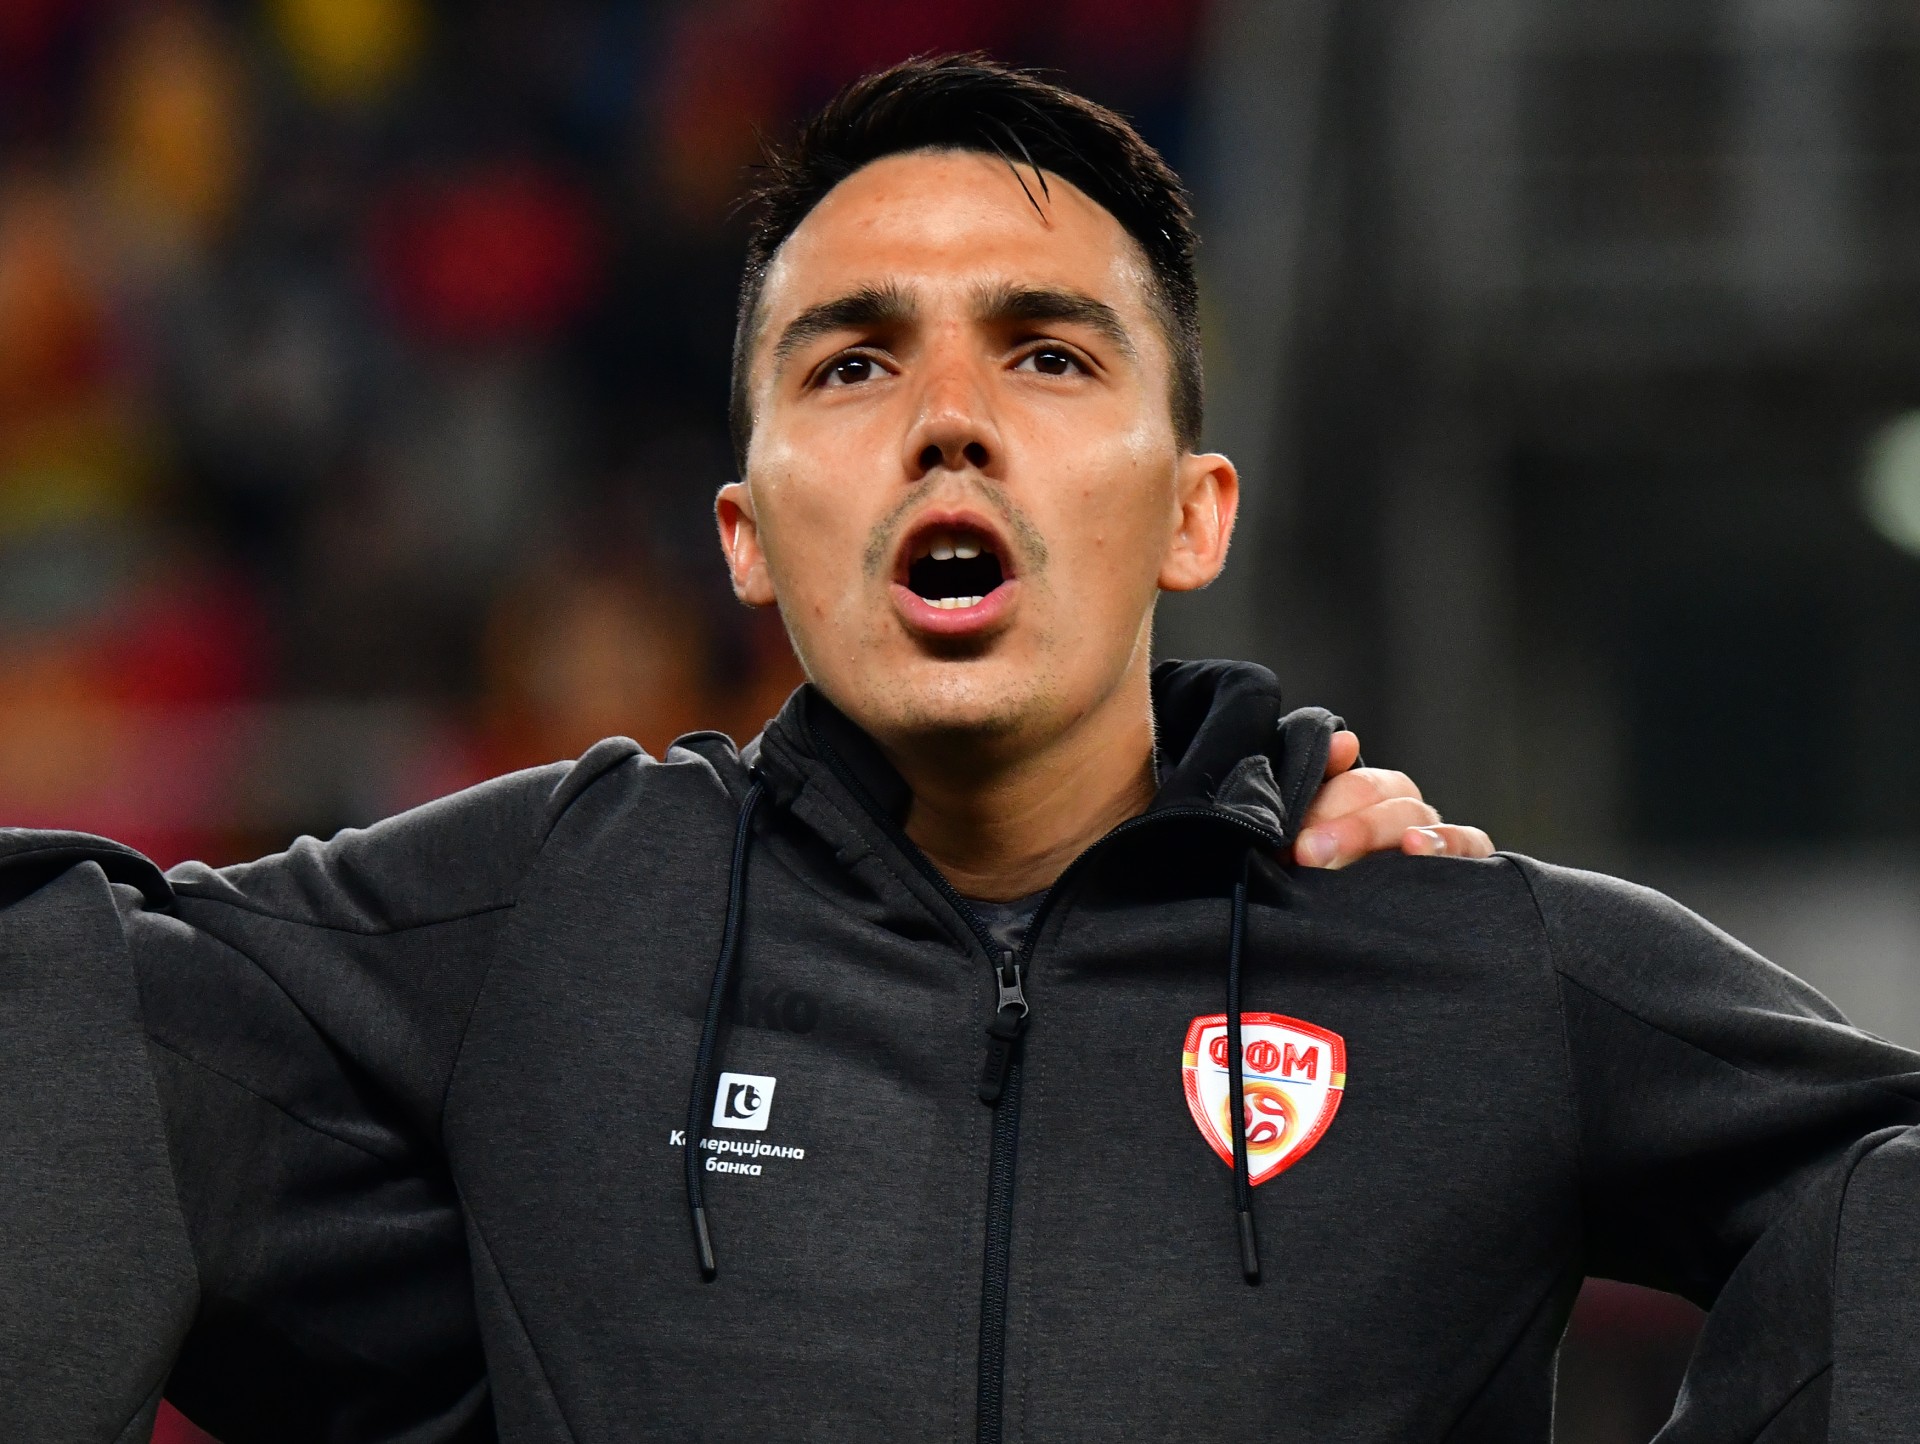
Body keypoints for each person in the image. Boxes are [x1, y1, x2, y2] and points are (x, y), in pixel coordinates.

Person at [0, 54, 1912, 1443]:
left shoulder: (1466, 955)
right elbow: (64, 990)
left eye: (1049, 353)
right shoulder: (544, 913)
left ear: (1195, 514)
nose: (947, 417)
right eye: (852, 361)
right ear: (748, 533)